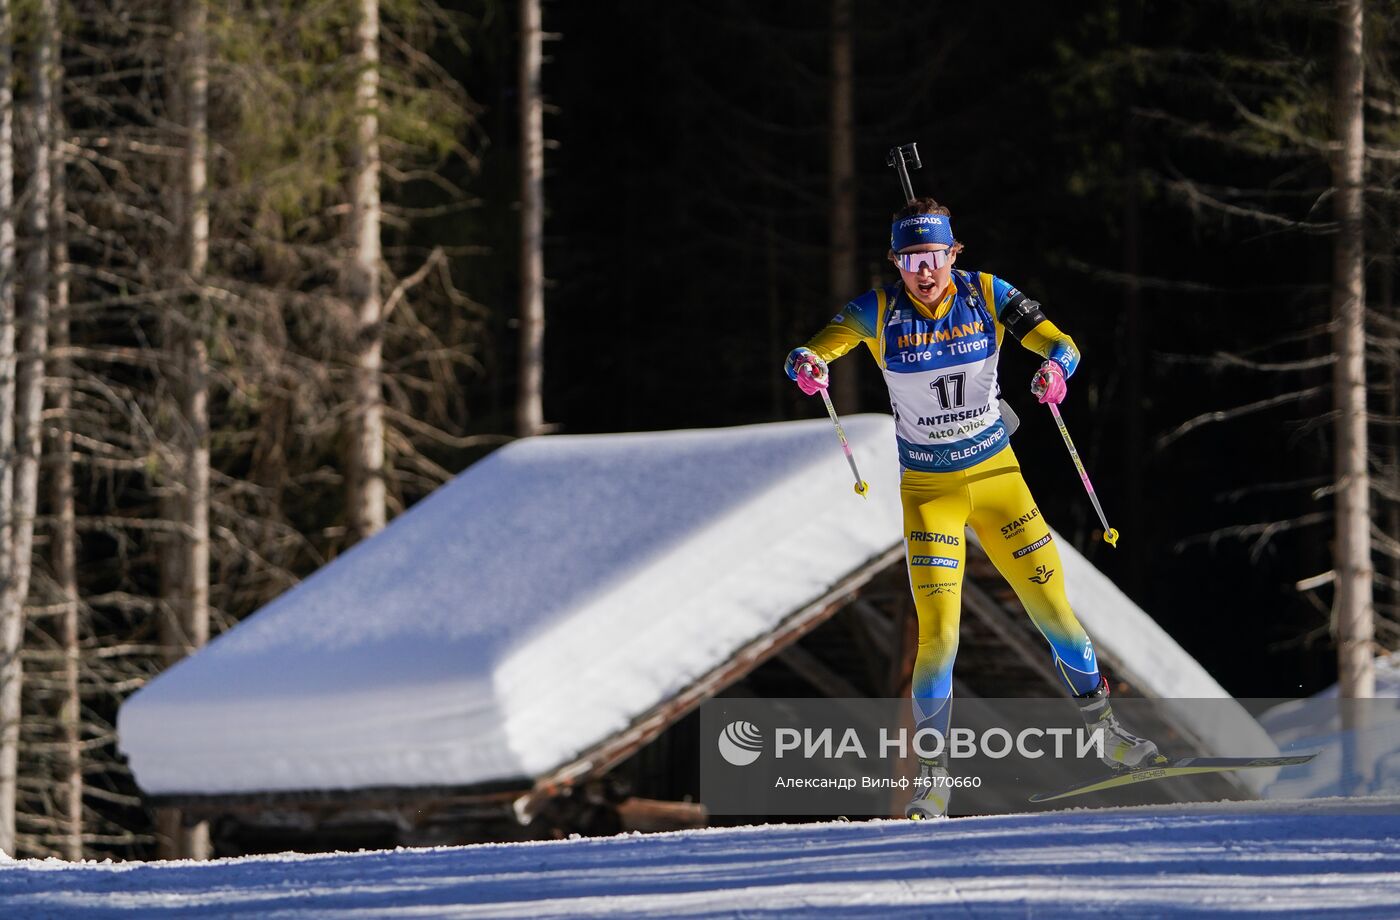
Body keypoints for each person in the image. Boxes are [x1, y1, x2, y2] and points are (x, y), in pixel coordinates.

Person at [785, 198, 1162, 819]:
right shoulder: (877, 311)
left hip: (997, 478)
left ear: (953, 253)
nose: (923, 271)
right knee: (938, 640)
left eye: (933, 256)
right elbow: (815, 350)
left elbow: (1060, 342)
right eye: (910, 259)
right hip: (930, 493)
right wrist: (806, 365)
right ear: (896, 262)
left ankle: (1109, 737)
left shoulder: (986, 293)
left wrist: (1056, 370)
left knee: (1057, 617)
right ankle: (933, 778)